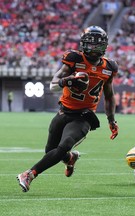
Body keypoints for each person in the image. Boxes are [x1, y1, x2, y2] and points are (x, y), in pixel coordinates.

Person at [17, 26, 119, 192]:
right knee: (50, 151)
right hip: (64, 112)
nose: (93, 49)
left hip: (84, 116)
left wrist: (111, 120)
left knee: (64, 145)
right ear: (83, 44)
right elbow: (53, 85)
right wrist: (68, 80)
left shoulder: (109, 67)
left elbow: (109, 96)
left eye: (97, 45)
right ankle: (70, 158)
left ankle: (29, 174)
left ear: (105, 46)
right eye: (90, 44)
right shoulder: (74, 59)